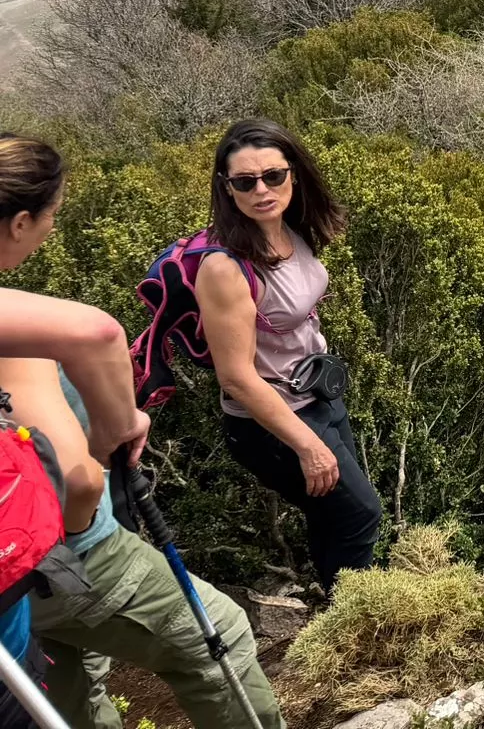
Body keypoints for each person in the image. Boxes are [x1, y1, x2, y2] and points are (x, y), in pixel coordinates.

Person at [0, 134, 280, 729]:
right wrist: (115, 437)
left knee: (63, 681)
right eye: (51, 216)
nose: (52, 230)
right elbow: (77, 481)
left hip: (19, 591)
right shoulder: (16, 344)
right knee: (220, 633)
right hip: (52, 557)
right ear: (20, 222)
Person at [194, 120, 381, 592]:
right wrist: (307, 445)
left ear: (293, 174)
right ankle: (356, 623)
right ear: (227, 188)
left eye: (273, 176)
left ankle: (335, 611)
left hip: (316, 397)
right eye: (244, 182)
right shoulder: (224, 268)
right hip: (273, 423)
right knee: (360, 515)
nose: (261, 190)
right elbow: (235, 378)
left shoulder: (289, 230)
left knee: (332, 513)